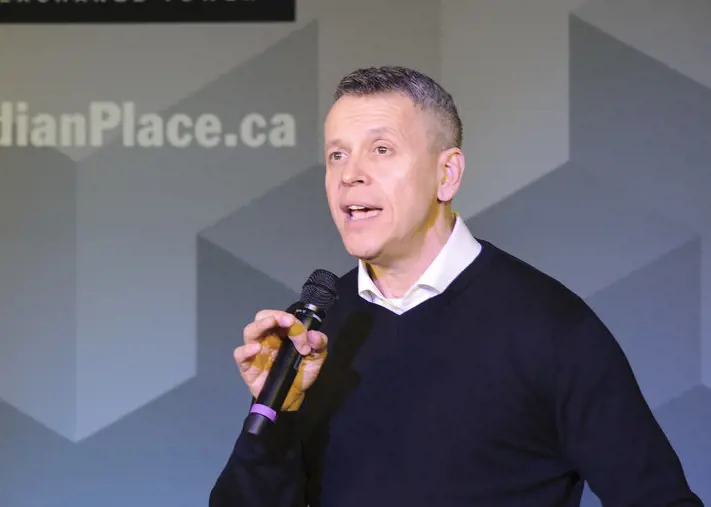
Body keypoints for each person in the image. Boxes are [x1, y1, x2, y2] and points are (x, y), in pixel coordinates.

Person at [209, 66, 703, 507]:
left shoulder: (551, 327)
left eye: (381, 150)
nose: (350, 176)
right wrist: (277, 415)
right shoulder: (314, 331)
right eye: (337, 155)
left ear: (447, 174)